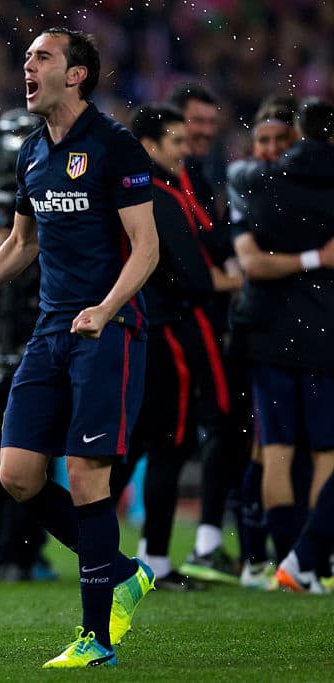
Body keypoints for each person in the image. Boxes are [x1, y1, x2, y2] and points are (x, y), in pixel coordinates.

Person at [0, 28, 159, 668]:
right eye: (26, 58)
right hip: (51, 331)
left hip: (107, 331)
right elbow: (21, 244)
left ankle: (97, 640)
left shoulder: (113, 146)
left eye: (42, 58)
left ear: (77, 74)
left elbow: (146, 247)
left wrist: (107, 309)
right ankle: (119, 570)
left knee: (86, 475)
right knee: (17, 476)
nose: (27, 66)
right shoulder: (33, 151)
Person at [126, 104, 241, 591]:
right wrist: (222, 280)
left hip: (143, 329)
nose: (185, 147)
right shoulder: (157, 195)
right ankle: (153, 561)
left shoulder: (132, 191)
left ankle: (130, 556)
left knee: (139, 446)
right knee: (168, 446)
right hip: (168, 332)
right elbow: (194, 275)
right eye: (175, 139)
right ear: (151, 144)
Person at [228, 97, 334, 594]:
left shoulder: (252, 184)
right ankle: (308, 559)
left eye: (280, 141)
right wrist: (318, 257)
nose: (272, 150)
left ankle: (285, 556)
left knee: (277, 449)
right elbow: (252, 264)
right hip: (320, 332)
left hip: (268, 332)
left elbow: (252, 261)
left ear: (296, 138)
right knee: (318, 452)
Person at [168, 83, 244, 583]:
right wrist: (229, 266)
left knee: (187, 433)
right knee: (209, 424)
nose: (202, 134)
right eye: (194, 124)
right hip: (181, 316)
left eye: (210, 126)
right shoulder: (165, 178)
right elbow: (191, 247)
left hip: (197, 313)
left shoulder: (194, 172)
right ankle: (198, 545)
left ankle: (199, 544)